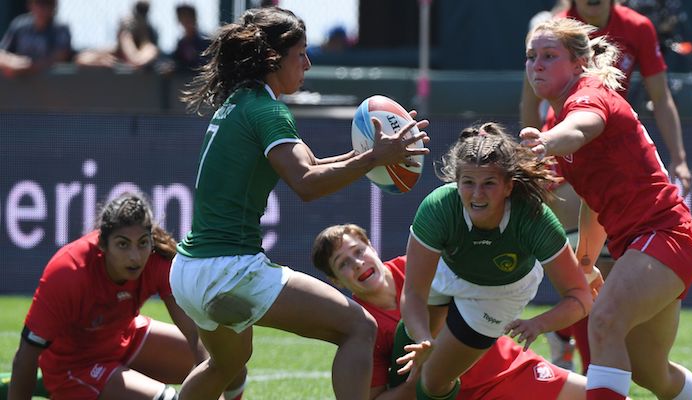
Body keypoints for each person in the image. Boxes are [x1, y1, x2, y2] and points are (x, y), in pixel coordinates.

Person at [170, 6, 430, 400]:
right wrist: (376, 158)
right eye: (301, 54)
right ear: (274, 59)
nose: (308, 63)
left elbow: (312, 164)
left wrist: (378, 151)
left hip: (188, 271)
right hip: (228, 270)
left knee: (224, 364)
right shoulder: (268, 109)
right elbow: (306, 184)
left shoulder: (243, 102)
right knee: (359, 327)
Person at [521, 17, 692, 400]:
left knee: (603, 322)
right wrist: (586, 262)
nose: (536, 64)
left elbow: (582, 127)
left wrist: (546, 141)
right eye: (530, 56)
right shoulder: (560, 114)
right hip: (646, 244)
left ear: (578, 64)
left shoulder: (587, 96)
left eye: (549, 55)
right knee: (651, 373)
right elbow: (594, 200)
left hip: (667, 235)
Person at [397, 122, 597, 400]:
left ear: (508, 186)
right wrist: (422, 338)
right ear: (456, 182)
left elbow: (581, 297)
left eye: (489, 183)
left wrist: (538, 324)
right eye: (468, 183)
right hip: (449, 270)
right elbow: (413, 293)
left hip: (498, 293)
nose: (477, 194)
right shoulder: (438, 208)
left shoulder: (533, 218)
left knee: (432, 383)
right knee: (407, 346)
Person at [312, 223, 599, 400]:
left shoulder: (420, 265)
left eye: (358, 251)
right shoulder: (362, 326)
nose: (358, 263)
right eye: (344, 264)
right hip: (452, 395)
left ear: (371, 246)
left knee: (608, 396)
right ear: (337, 281)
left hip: (509, 368)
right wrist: (418, 376)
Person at [7, 192, 215, 400]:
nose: (135, 256)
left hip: (123, 338)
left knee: (224, 361)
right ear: (103, 245)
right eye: (123, 244)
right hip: (73, 366)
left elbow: (195, 333)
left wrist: (212, 381)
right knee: (167, 399)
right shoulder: (68, 273)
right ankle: (53, 388)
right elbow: (25, 356)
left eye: (142, 243)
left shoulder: (156, 259)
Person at [0, 0, 71, 78]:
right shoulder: (20, 25)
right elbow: (2, 53)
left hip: (50, 82)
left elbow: (61, 57)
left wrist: (30, 66)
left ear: (55, 6)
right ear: (30, 4)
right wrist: (12, 62)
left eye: (48, 3)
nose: (43, 7)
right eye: (39, 2)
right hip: (21, 82)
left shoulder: (60, 29)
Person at [171, 3, 210, 72]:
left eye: (188, 16)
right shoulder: (182, 43)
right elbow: (176, 62)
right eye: (182, 17)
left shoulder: (205, 40)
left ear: (194, 18)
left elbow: (204, 63)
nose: (185, 20)